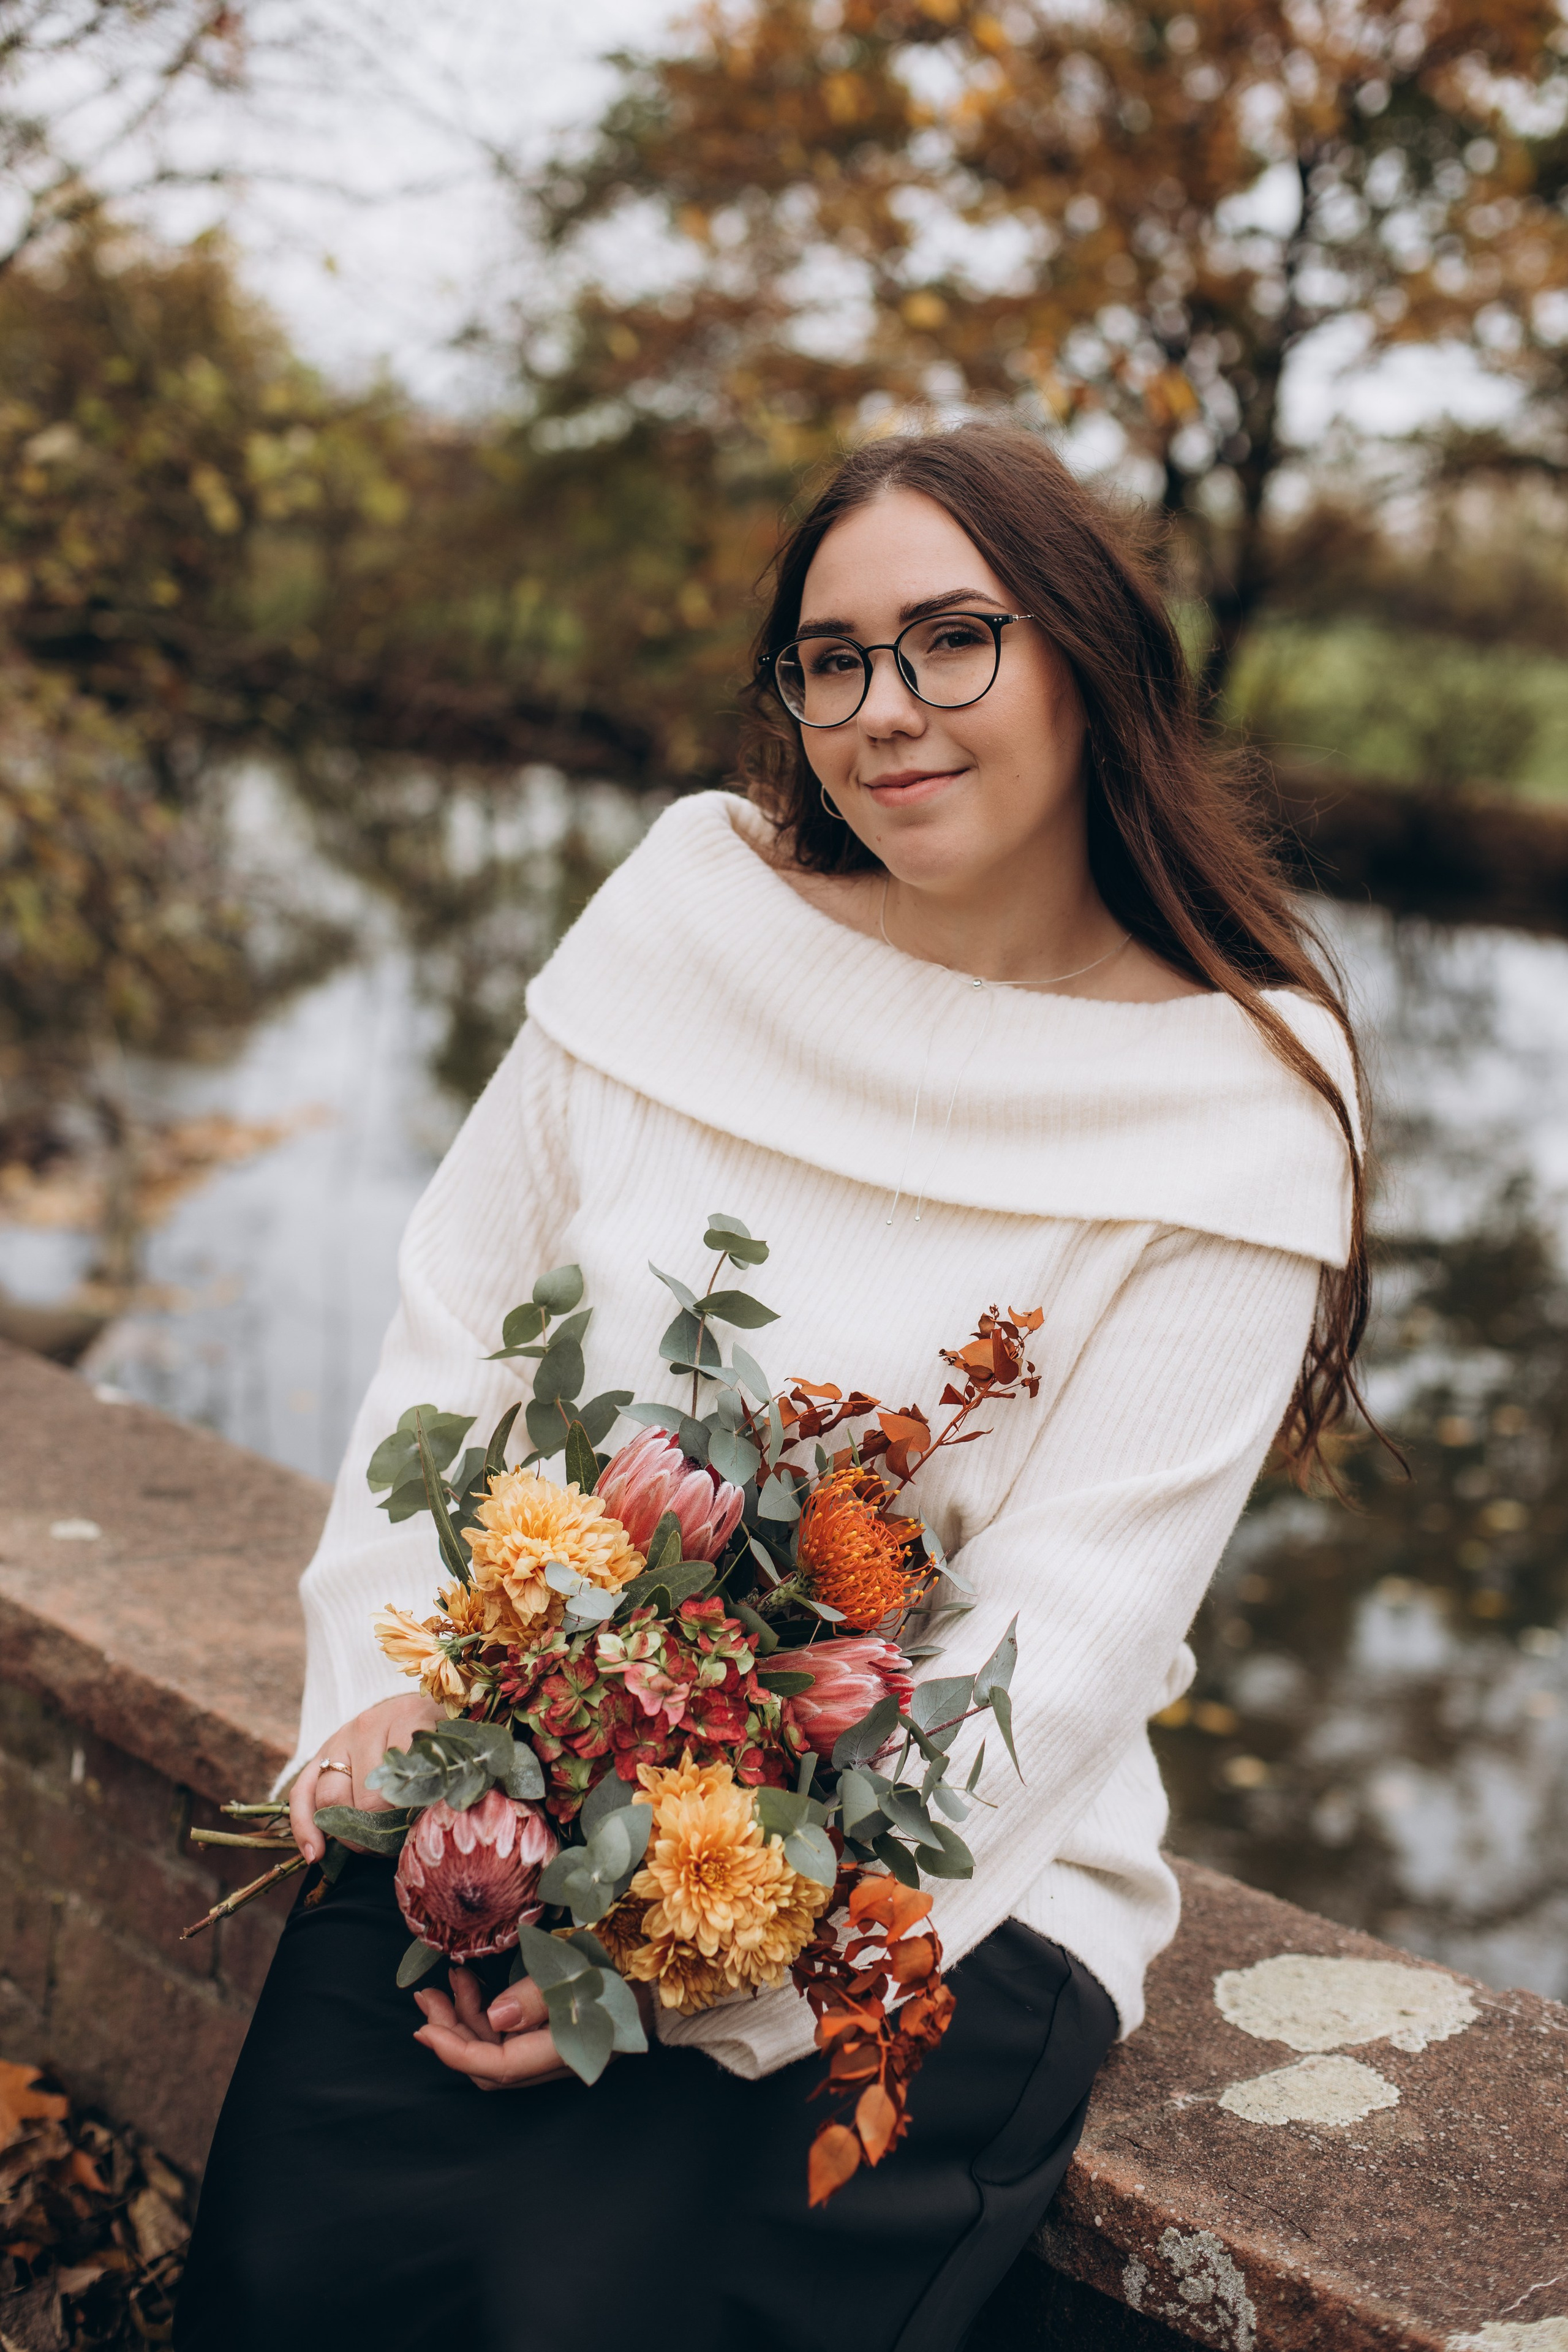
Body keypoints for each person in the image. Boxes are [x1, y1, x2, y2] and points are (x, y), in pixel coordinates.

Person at [176, 423, 1365, 2352]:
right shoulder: (687, 925)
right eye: (832, 658)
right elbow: (455, 1340)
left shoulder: (1243, 1110)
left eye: (953, 640)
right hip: (506, 1772)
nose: (884, 709)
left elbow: (1054, 1645)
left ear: (1095, 659)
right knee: (285, 2286)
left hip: (909, 1903)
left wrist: (666, 1969)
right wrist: (388, 1708)